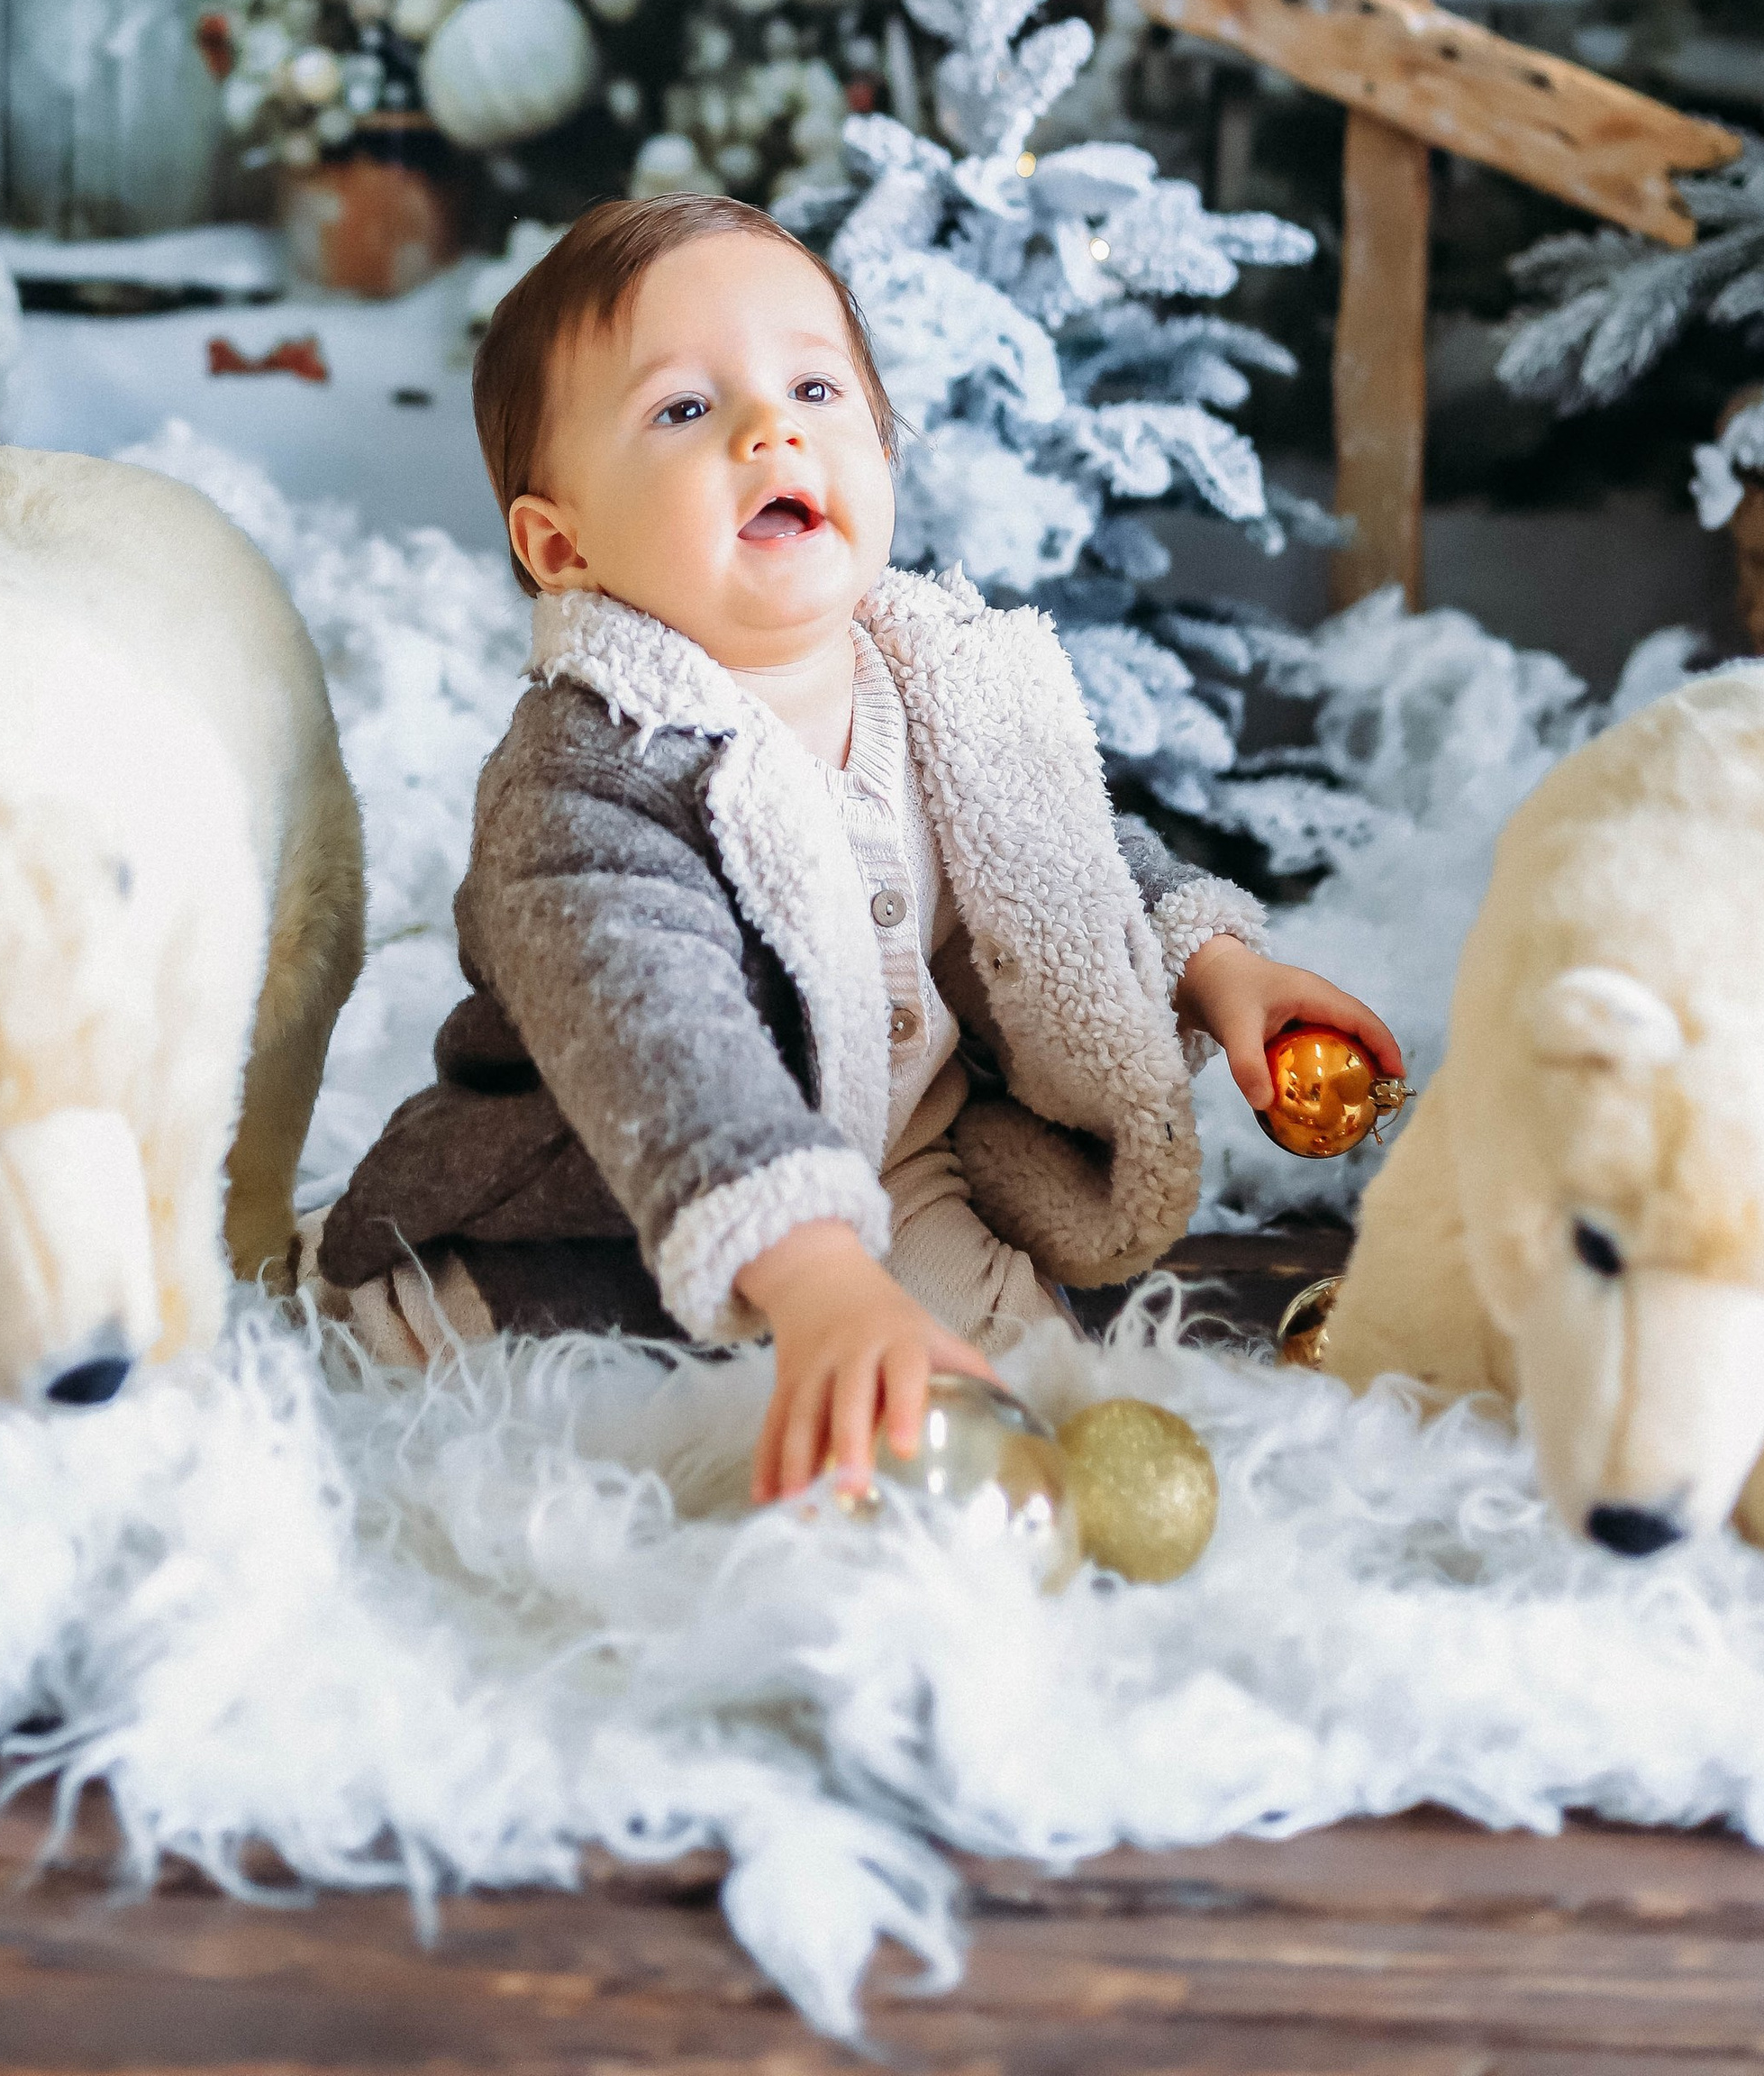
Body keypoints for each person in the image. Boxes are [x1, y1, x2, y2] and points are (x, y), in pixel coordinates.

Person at [315, 195, 1399, 1503]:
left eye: (815, 387)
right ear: (563, 546)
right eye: (682, 410)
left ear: (881, 452)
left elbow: (1060, 859)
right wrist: (819, 1272)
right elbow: (651, 1034)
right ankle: (448, 1325)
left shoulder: (937, 683)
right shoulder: (585, 771)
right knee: (572, 1435)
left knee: (1026, 1419)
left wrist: (1219, 967)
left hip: (908, 1167)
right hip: (610, 1200)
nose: (770, 430)